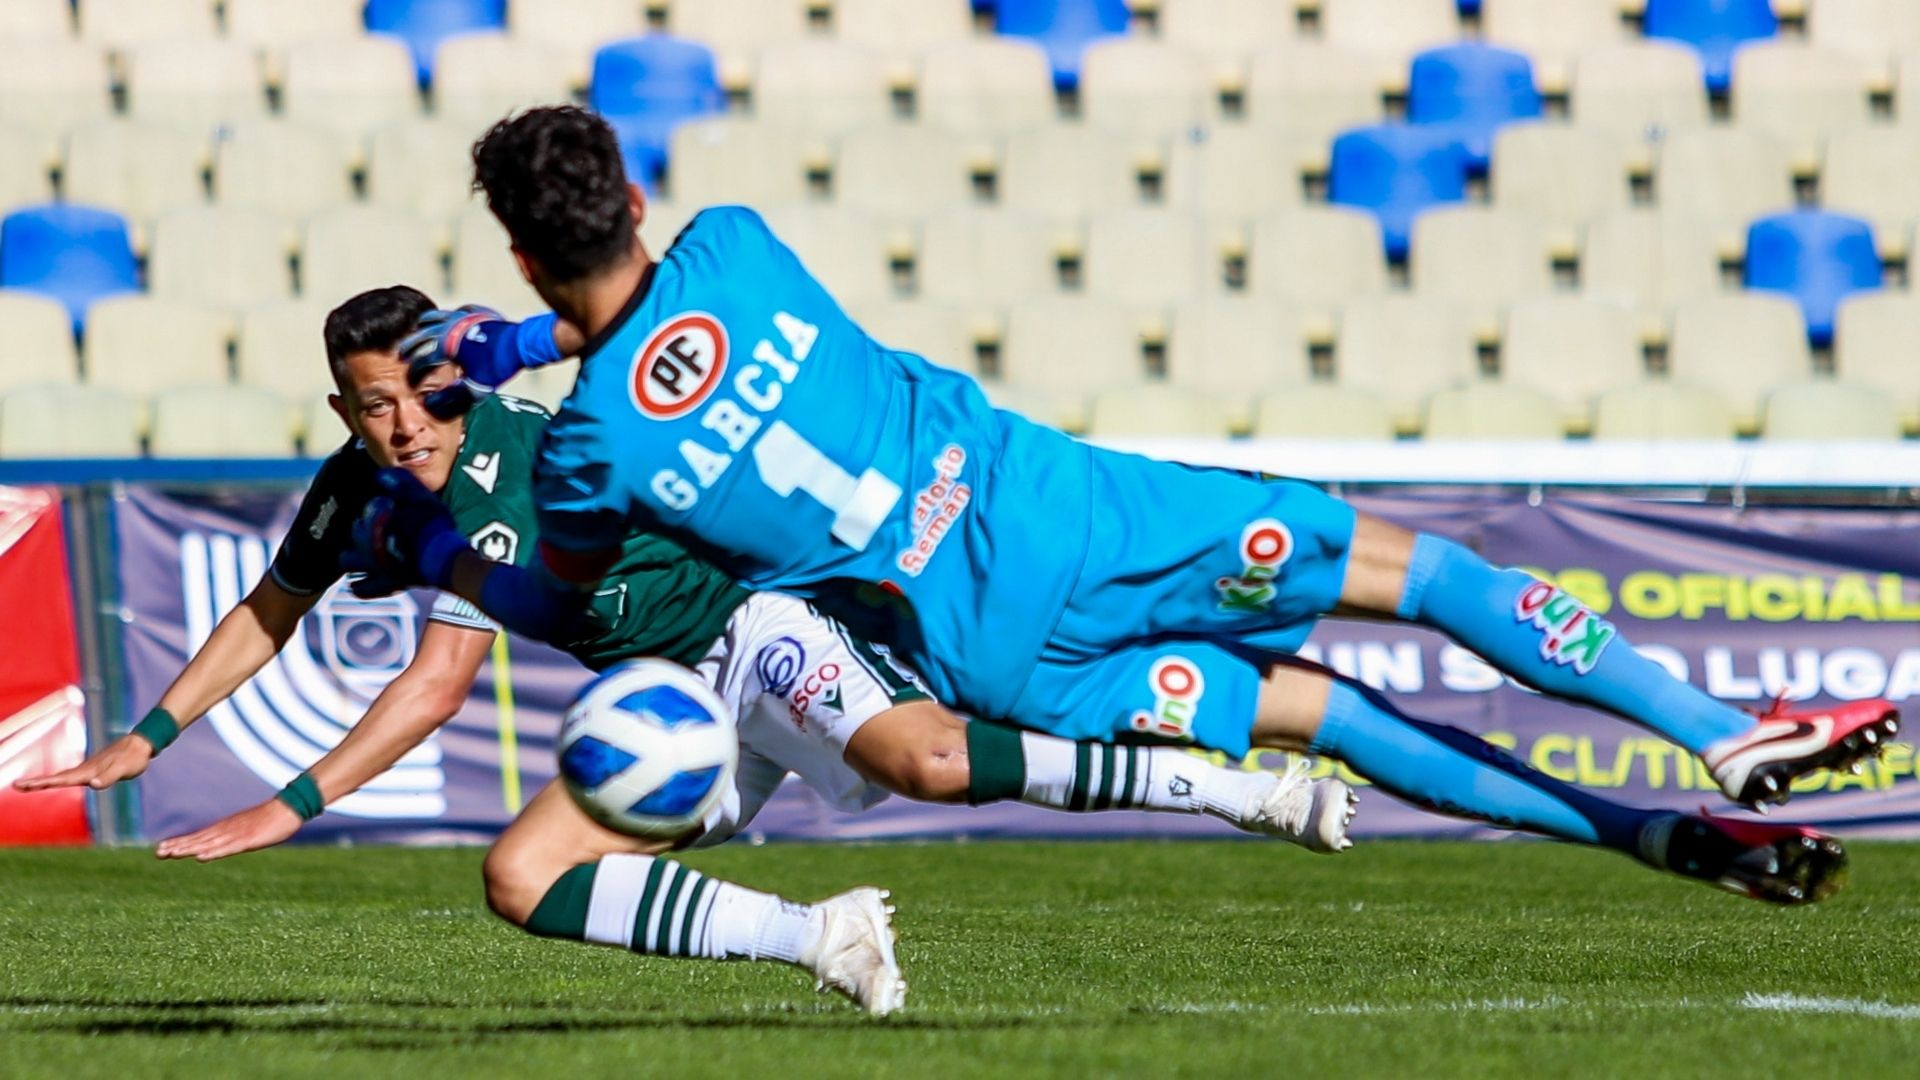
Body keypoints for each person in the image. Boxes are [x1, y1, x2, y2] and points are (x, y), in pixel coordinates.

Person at [372, 105, 1894, 905]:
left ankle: (1650, 840)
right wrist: (540, 338)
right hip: (1059, 508)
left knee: (1328, 722)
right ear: (636, 193)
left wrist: (442, 519)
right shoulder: (740, 244)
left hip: (986, 648)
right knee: (1416, 575)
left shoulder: (585, 459)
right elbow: (646, 316)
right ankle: (1720, 733)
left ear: (516, 257)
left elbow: (561, 576)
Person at [17, 285, 1359, 1017]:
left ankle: (1260, 788)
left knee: (931, 765)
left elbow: (431, 689)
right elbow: (270, 611)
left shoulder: (517, 471)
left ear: (459, 385)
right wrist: (151, 736)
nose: (406, 424)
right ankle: (820, 937)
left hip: (758, 630)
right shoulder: (354, 496)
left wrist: (281, 808)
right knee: (520, 877)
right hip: (660, 698)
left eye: (426, 395)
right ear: (344, 410)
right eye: (377, 405)